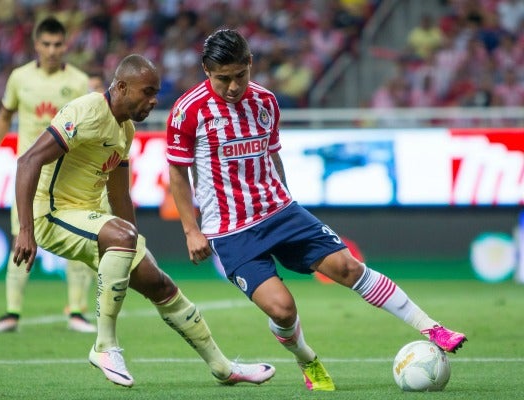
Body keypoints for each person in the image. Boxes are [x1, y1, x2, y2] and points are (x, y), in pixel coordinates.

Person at [166, 29, 467, 392]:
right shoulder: (188, 111)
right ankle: (307, 360)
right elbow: (178, 174)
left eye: (239, 76)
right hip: (231, 230)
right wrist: (191, 229)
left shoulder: (265, 102)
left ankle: (430, 326)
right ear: (206, 70)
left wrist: (290, 204)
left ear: (250, 64)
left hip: (280, 211)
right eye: (222, 79)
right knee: (282, 310)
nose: (233, 87)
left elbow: (273, 155)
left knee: (348, 266)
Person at [11, 53, 275, 388]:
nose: (153, 100)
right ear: (121, 87)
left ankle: (223, 367)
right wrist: (26, 230)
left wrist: (132, 238)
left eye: (156, 93)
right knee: (123, 238)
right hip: (52, 213)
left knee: (160, 284)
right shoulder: (87, 111)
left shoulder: (126, 129)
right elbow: (28, 161)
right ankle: (104, 346)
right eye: (147, 92)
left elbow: (120, 193)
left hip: (92, 218)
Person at [0, 16, 97, 333]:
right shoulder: (19, 78)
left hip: (66, 173)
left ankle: (77, 312)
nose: (53, 50)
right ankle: (12, 313)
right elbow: (4, 117)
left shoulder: (80, 81)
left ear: (66, 45)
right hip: (28, 172)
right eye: (47, 44)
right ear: (36, 45)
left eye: (58, 44)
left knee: (77, 238)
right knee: (21, 237)